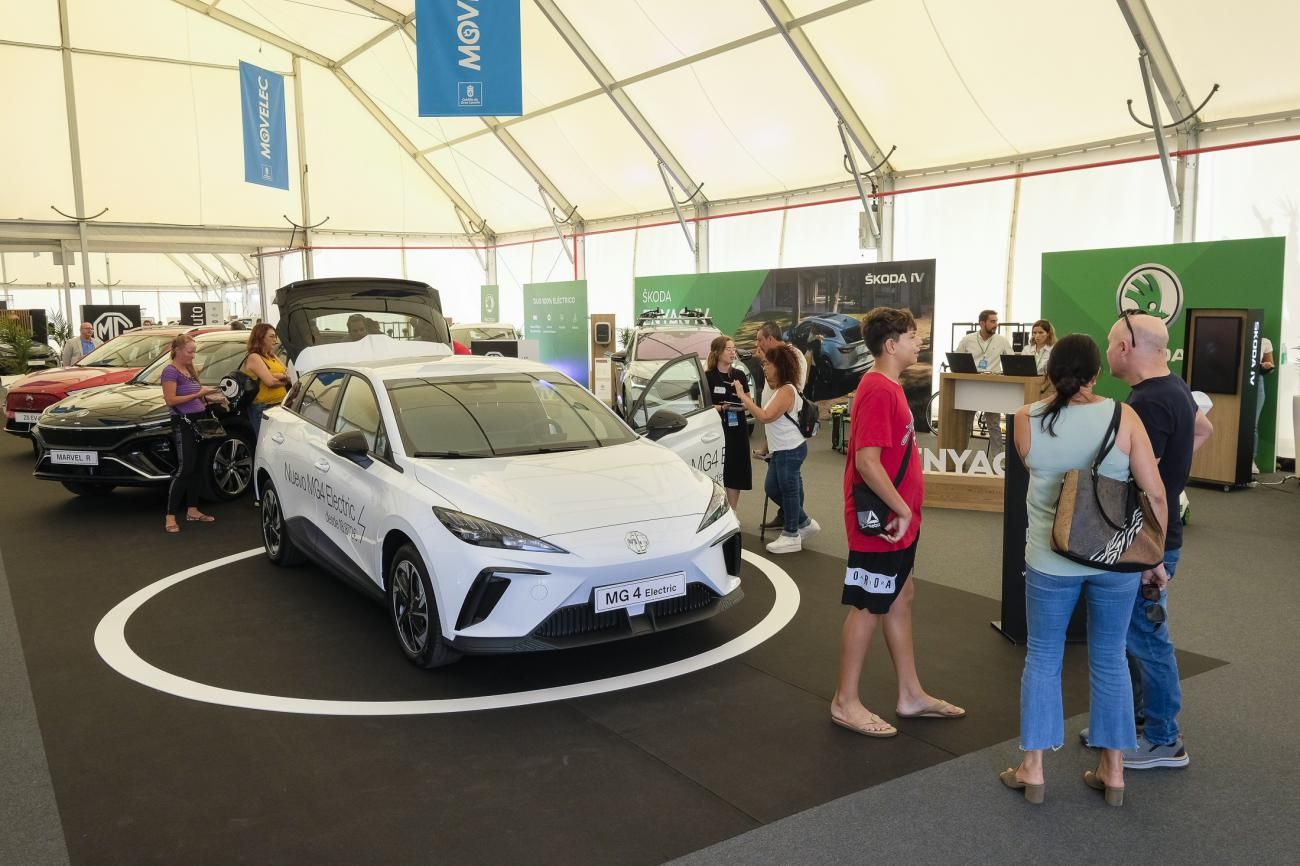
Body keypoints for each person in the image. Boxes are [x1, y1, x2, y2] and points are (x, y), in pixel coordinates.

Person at [1000, 333, 1168, 806]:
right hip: (1115, 558)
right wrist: (1154, 558)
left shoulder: (1025, 419)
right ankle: (1113, 771)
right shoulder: (1124, 415)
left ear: (1051, 371)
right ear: (1096, 373)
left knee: (1043, 656)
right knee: (1111, 657)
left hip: (1050, 558)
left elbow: (1035, 469)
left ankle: (1033, 770)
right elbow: (1155, 493)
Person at [1081, 311, 1212, 771]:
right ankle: (1131, 724)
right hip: (1154, 532)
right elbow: (1203, 430)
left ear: (1127, 347)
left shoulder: (1148, 404)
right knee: (1134, 635)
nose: (1110, 349)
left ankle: (1163, 739)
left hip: (1146, 538)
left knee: (1147, 637)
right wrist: (1170, 470)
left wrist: (1158, 477)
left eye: (1113, 341)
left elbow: (1137, 480)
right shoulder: (1173, 387)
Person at [832, 307, 965, 739]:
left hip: (899, 521)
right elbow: (868, 463)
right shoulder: (876, 389)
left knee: (900, 594)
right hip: (882, 521)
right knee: (869, 605)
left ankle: (910, 693)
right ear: (890, 345)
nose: (918, 342)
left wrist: (907, 510)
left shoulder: (889, 388)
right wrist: (901, 509)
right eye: (911, 336)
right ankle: (844, 701)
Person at [730, 343, 818, 554]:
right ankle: (804, 523)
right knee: (774, 488)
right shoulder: (782, 390)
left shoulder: (786, 390)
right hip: (782, 450)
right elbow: (775, 423)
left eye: (767, 364)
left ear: (779, 366)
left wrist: (743, 397)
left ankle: (791, 535)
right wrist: (765, 448)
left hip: (790, 450)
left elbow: (765, 417)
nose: (765, 369)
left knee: (788, 491)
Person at [161, 334, 228, 533]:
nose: (193, 355)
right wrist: (200, 393)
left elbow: (195, 397)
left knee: (198, 467)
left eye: (194, 351)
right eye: (190, 351)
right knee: (185, 469)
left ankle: (192, 509)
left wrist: (213, 398)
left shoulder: (189, 369)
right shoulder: (170, 371)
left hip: (198, 421)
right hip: (183, 423)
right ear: (178, 350)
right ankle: (170, 516)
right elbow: (170, 400)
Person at [756, 321, 807, 530]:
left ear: (770, 339)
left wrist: (763, 362)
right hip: (775, 432)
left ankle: (796, 520)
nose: (757, 344)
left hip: (787, 432)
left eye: (760, 339)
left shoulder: (793, 356)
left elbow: (787, 388)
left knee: (790, 483)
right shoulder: (773, 358)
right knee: (779, 484)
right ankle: (792, 516)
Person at [705, 335, 752, 509]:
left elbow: (749, 402)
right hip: (716, 427)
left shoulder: (739, 375)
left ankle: (732, 512)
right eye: (728, 349)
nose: (733, 353)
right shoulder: (708, 377)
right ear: (717, 352)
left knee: (735, 469)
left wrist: (741, 402)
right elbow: (703, 407)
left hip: (737, 427)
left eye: (734, 349)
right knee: (718, 468)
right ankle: (716, 509)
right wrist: (721, 408)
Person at [955, 310, 1013, 451]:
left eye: (996, 321)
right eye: (992, 321)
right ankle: (960, 462)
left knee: (994, 425)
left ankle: (999, 464)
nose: (996, 324)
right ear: (982, 323)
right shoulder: (967, 339)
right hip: (971, 386)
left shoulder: (1002, 341)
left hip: (992, 386)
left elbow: (1012, 362)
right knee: (965, 425)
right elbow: (956, 359)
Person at [241, 323, 290, 438]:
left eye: (276, 336)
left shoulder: (273, 356)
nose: (275, 340)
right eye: (271, 336)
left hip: (280, 405)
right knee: (266, 442)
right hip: (264, 407)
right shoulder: (254, 357)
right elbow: (270, 382)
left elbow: (288, 373)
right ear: (260, 337)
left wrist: (278, 375)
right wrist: (284, 379)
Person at [1254, 336, 1275, 474]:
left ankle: (1250, 460)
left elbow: (1271, 367)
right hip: (1233, 381)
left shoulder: (1265, 341)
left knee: (1252, 425)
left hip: (1257, 382)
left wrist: (1266, 366)